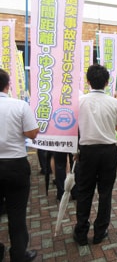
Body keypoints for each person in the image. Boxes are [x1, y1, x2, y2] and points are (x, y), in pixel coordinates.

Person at [73, 64, 117, 246]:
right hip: (108, 151)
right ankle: (100, 231)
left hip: (86, 151)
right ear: (106, 82)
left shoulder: (78, 101)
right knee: (105, 192)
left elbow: (73, 129)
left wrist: (74, 151)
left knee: (84, 191)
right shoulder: (115, 102)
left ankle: (81, 232)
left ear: (88, 82)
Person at [0, 68, 39, 261]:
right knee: (17, 211)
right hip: (16, 164)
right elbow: (32, 133)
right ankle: (18, 254)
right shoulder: (19, 106)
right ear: (8, 85)